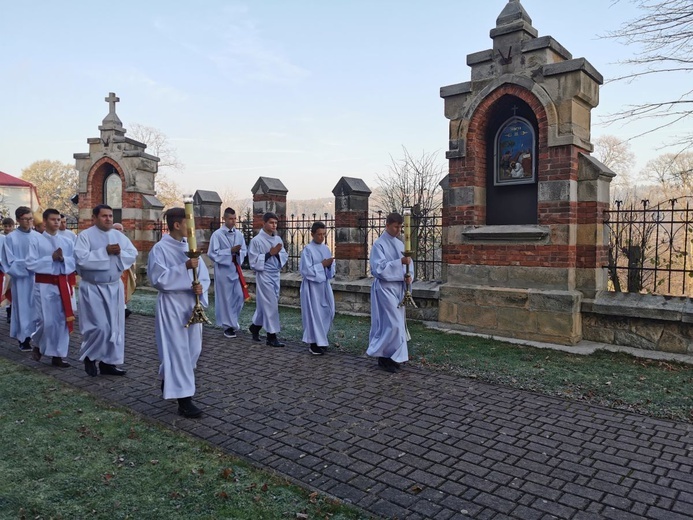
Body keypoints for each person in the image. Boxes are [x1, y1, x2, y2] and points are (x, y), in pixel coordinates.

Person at [148, 207, 210, 418]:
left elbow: (203, 276)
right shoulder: (160, 249)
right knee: (178, 351)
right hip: (172, 306)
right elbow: (158, 279)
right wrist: (183, 268)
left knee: (193, 349)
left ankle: (170, 378)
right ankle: (184, 400)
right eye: (188, 223)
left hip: (191, 304)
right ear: (177, 225)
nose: (192, 229)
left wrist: (200, 287)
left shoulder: (190, 247)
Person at [74, 204, 138, 377]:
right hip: (93, 287)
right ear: (94, 218)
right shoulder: (85, 236)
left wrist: (118, 254)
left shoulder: (118, 235)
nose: (109, 219)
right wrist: (104, 252)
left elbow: (132, 253)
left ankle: (108, 363)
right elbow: (80, 260)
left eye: (110, 216)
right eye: (104, 216)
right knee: (99, 327)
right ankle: (89, 355)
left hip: (113, 287)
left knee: (115, 327)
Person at [26, 208, 75, 368]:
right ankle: (38, 343)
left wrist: (63, 259)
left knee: (61, 321)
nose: (57, 222)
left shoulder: (67, 241)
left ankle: (58, 355)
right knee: (46, 321)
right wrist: (50, 259)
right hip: (44, 285)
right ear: (45, 221)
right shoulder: (36, 240)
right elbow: (30, 263)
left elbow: (74, 262)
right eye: (53, 219)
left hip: (62, 283)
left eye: (58, 219)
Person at [366, 212, 413, 373]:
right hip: (385, 288)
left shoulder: (401, 245)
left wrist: (409, 276)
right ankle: (384, 357)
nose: (398, 230)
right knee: (392, 324)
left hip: (398, 288)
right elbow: (378, 269)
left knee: (397, 324)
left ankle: (393, 356)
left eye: (400, 227)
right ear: (387, 226)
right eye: (395, 226)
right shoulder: (379, 244)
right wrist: (399, 262)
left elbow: (409, 266)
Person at [1, 207, 41, 351]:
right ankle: (24, 338)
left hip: (37, 277)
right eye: (25, 219)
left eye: (31, 219)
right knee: (23, 308)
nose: (29, 222)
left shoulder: (37, 236)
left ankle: (36, 336)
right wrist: (27, 265)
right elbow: (7, 261)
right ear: (18, 220)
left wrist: (37, 265)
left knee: (37, 308)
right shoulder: (11, 238)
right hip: (22, 279)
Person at [248, 212, 288, 347]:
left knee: (264, 305)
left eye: (276, 223)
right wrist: (270, 254)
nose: (274, 225)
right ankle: (271, 336)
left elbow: (283, 256)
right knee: (271, 305)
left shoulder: (277, 239)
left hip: (275, 274)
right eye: (271, 222)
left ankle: (255, 327)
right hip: (264, 275)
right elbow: (253, 261)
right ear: (263, 223)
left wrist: (276, 254)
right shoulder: (256, 241)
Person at [207, 207, 247, 339]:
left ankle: (233, 321)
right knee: (226, 299)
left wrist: (238, 252)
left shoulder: (239, 235)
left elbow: (244, 251)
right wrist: (230, 251)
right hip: (223, 271)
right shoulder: (217, 235)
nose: (233, 221)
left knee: (239, 296)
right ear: (224, 219)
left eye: (235, 218)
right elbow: (212, 253)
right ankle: (228, 326)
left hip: (235, 269)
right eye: (230, 218)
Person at [299, 222, 335, 355]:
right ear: (312, 234)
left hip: (324, 285)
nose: (322, 237)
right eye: (319, 234)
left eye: (324, 234)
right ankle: (314, 343)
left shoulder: (326, 249)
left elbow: (330, 271)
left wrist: (330, 266)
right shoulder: (308, 250)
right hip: (311, 288)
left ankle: (322, 340)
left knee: (327, 311)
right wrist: (322, 265)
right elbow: (305, 271)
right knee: (314, 314)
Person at [113, 222, 136, 318]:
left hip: (124, 270)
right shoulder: (108, 239)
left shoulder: (126, 241)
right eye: (116, 229)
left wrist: (121, 254)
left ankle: (123, 307)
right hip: (112, 271)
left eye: (120, 229)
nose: (119, 231)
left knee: (123, 290)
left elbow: (132, 253)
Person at [0, 217, 14, 323]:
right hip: (3, 267)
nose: (8, 228)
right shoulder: (1, 237)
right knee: (5, 290)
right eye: (6, 226)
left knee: (12, 291)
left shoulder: (15, 237)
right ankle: (8, 312)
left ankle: (11, 312)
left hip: (12, 267)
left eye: (10, 226)